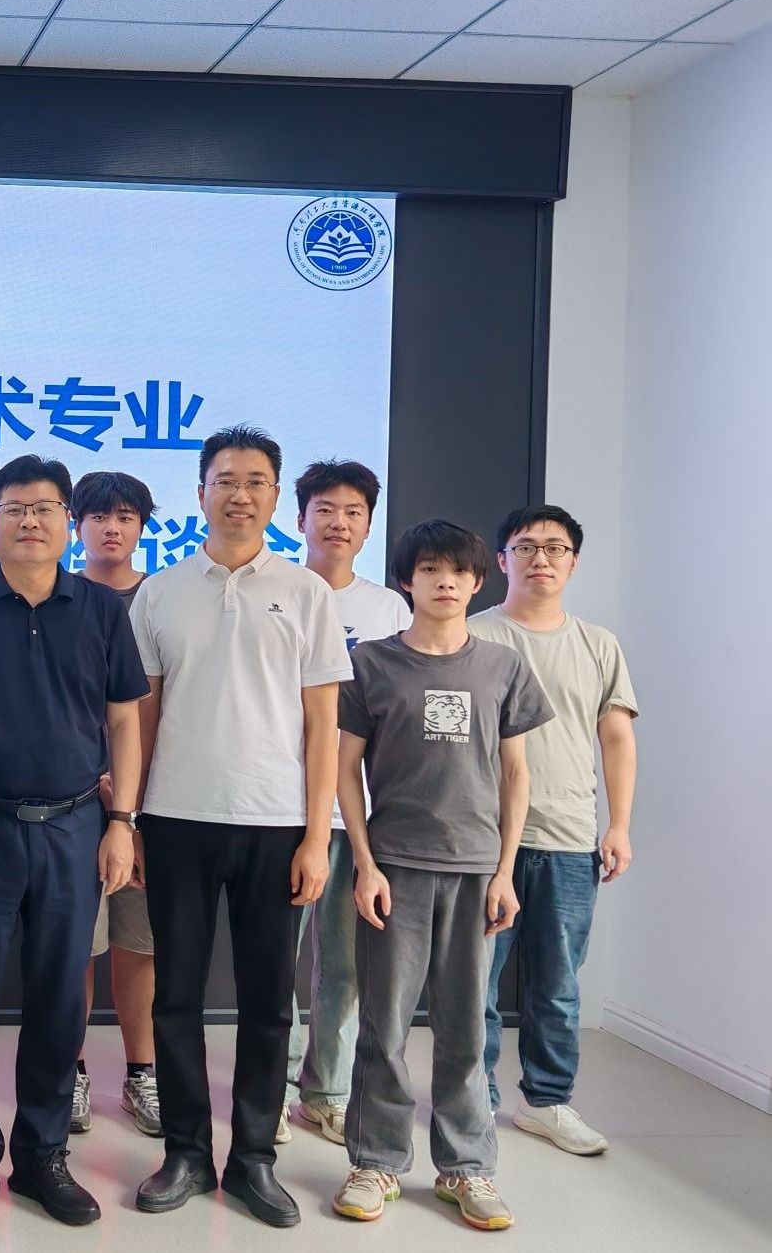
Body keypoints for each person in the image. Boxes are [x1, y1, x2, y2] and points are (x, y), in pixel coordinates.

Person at [0, 457, 147, 1228]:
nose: (29, 521)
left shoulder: (101, 609)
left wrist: (122, 822)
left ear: (65, 521)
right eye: (14, 508)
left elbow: (123, 721)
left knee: (58, 998)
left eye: (44, 508)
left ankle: (44, 1153)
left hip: (75, 827)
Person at [128, 426, 348, 1229]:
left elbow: (323, 726)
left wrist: (317, 834)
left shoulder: (307, 592)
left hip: (276, 821)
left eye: (256, 481)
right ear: (200, 493)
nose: (240, 494)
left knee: (266, 1002)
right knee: (176, 995)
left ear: (275, 496)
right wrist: (133, 818)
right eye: (225, 480)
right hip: (175, 817)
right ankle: (186, 1151)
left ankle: (253, 1155)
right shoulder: (160, 592)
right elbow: (141, 717)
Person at [333, 520, 551, 1231]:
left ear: (477, 581)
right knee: (384, 1025)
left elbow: (516, 775)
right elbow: (344, 770)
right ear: (407, 579)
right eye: (429, 569)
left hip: (476, 869)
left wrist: (505, 871)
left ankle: (466, 1166)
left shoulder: (503, 667)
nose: (445, 582)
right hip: (394, 867)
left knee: (465, 1027)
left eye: (457, 571)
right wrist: (364, 863)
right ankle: (376, 1161)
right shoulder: (370, 664)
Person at [470, 505, 638, 1157]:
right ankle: (474, 1099)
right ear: (501, 559)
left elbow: (616, 737)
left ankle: (546, 1101)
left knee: (559, 984)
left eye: (555, 548)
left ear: (573, 561)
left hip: (569, 837)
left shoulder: (598, 644)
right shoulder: (473, 634)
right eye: (525, 546)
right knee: (475, 979)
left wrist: (618, 824)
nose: (540, 558)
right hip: (483, 838)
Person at [285, 459, 414, 1146]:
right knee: (275, 962)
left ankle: (326, 1090)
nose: (338, 522)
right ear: (299, 518)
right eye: (325, 509)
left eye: (354, 511)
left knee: (343, 964)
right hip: (283, 807)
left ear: (368, 525)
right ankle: (272, 1088)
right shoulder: (278, 591)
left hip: (356, 815)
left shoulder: (389, 609)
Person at [69, 470, 163, 1138]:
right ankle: (70, 1071)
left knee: (138, 941)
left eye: (126, 516)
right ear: (77, 524)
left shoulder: (160, 599)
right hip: (72, 801)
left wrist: (131, 792)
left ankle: (141, 1073)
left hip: (148, 804)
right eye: (99, 516)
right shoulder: (58, 595)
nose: (112, 528)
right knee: (76, 941)